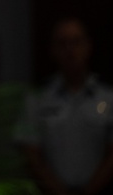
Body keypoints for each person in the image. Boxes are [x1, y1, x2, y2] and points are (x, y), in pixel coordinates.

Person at [15, 17, 113, 195]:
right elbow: (31, 155)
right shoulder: (37, 100)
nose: (70, 50)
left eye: (76, 42)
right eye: (62, 43)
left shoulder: (108, 98)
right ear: (53, 50)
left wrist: (89, 191)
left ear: (88, 46)